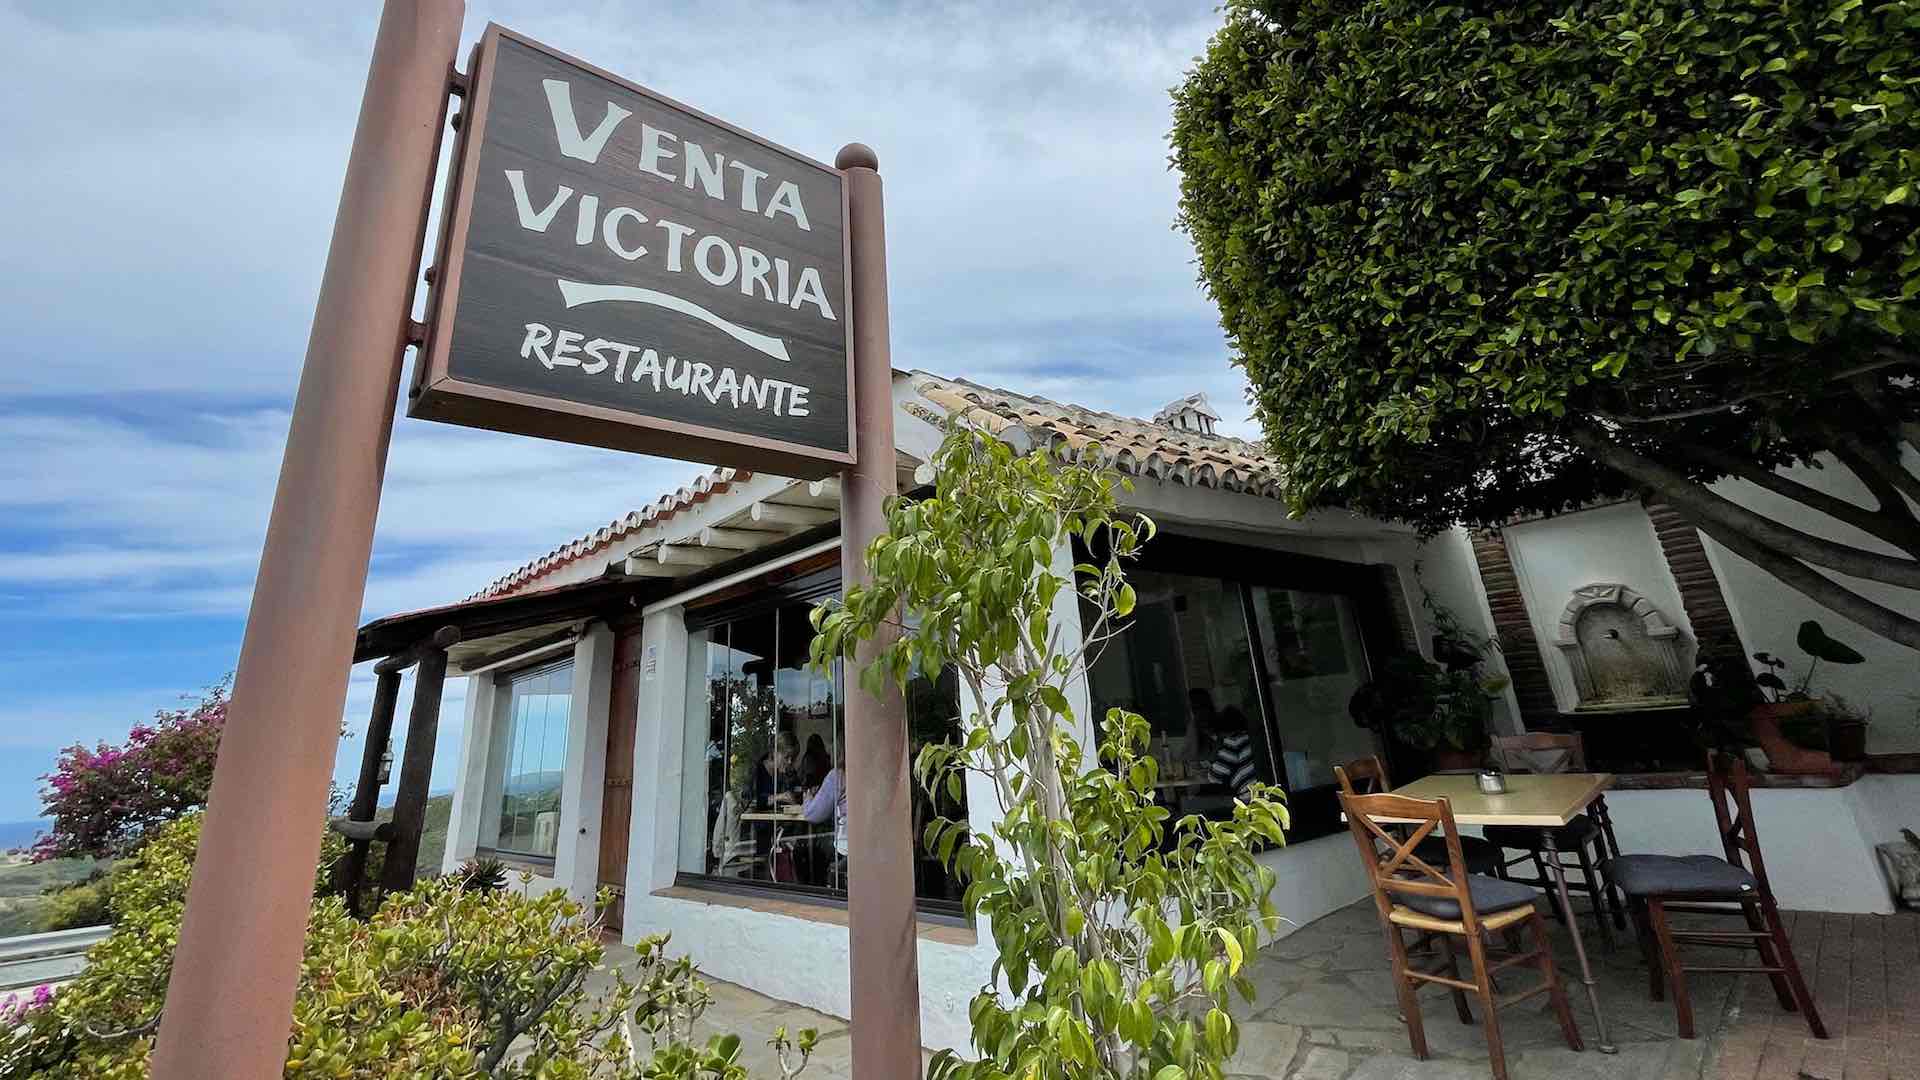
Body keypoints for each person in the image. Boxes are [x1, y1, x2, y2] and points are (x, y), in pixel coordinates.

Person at [799, 748, 848, 887]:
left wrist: (808, 797)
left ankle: (811, 891)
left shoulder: (838, 775)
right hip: (866, 845)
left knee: (808, 850)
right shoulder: (867, 773)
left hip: (846, 849)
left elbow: (813, 815)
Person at [1207, 706, 1257, 797]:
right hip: (1264, 794)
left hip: (1250, 800)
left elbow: (1214, 777)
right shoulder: (1251, 738)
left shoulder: (1234, 743)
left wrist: (1217, 747)